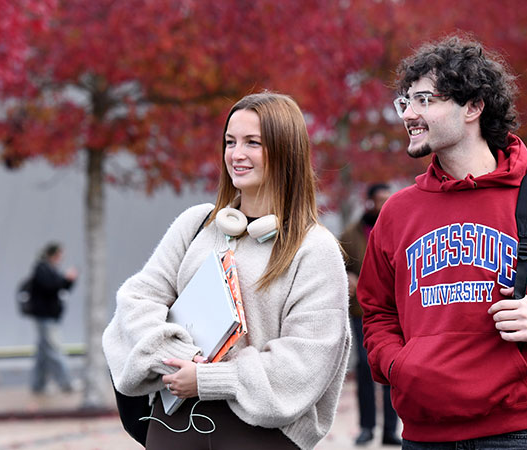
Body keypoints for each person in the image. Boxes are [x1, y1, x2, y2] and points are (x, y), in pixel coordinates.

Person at [357, 34, 527, 448]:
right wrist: (398, 365)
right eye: (405, 102)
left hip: (520, 434)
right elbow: (376, 310)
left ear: (473, 106)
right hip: (423, 436)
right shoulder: (397, 214)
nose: (408, 115)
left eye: (424, 100)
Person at [102, 92, 350, 450]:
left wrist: (209, 379)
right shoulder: (196, 225)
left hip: (261, 435)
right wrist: (176, 359)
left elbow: (305, 362)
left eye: (253, 143)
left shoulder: (314, 249)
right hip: (173, 421)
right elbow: (137, 300)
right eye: (230, 142)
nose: (236, 154)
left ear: (286, 151)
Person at [339, 183, 401, 446]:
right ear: (369, 202)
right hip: (361, 311)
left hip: (395, 311)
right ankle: (366, 427)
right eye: (379, 199)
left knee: (392, 367)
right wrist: (348, 277)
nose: (384, 204)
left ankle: (389, 429)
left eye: (388, 199)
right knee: (366, 367)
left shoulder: (399, 229)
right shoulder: (350, 234)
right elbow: (337, 268)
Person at [29, 242, 78, 394]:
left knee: (43, 353)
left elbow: (61, 287)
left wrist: (69, 280)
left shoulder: (50, 269)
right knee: (55, 350)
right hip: (45, 317)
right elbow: (51, 287)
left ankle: (38, 384)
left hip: (50, 317)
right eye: (59, 255)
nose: (61, 258)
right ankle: (67, 382)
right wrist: (66, 279)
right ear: (52, 254)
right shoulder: (41, 268)